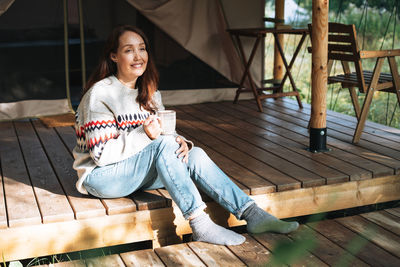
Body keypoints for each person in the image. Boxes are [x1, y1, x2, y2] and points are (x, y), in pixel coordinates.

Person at [73, 25, 298, 246]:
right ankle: (200, 224)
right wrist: (146, 135)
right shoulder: (101, 94)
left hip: (133, 172)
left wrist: (182, 143)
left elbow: (165, 135)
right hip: (101, 178)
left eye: (142, 48)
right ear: (113, 56)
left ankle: (253, 214)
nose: (138, 56)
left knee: (195, 154)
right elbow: (101, 155)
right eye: (129, 50)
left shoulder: (150, 93)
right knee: (162, 144)